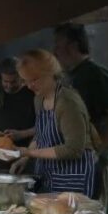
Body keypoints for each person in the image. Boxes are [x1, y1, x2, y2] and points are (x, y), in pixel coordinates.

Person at [53, 23, 108, 205]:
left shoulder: (95, 74)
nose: (54, 51)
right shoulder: (71, 76)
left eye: (58, 45)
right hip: (74, 161)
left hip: (96, 163)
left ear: (72, 46)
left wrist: (98, 149)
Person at [10, 50, 97, 196]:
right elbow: (41, 135)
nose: (29, 86)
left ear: (50, 73)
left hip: (73, 176)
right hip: (47, 174)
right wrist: (25, 158)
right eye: (26, 81)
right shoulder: (39, 99)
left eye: (34, 80)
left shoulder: (68, 103)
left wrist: (29, 152)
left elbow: (73, 149)